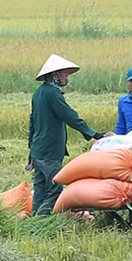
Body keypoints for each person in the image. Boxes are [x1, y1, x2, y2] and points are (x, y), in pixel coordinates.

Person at [27, 54, 113, 216]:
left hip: (39, 149)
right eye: (65, 74)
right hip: (49, 150)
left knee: (40, 188)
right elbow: (69, 116)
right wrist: (94, 134)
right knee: (55, 188)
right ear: (56, 75)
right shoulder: (53, 93)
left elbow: (32, 123)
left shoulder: (39, 93)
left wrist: (31, 151)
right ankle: (41, 220)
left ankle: (34, 221)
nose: (67, 78)